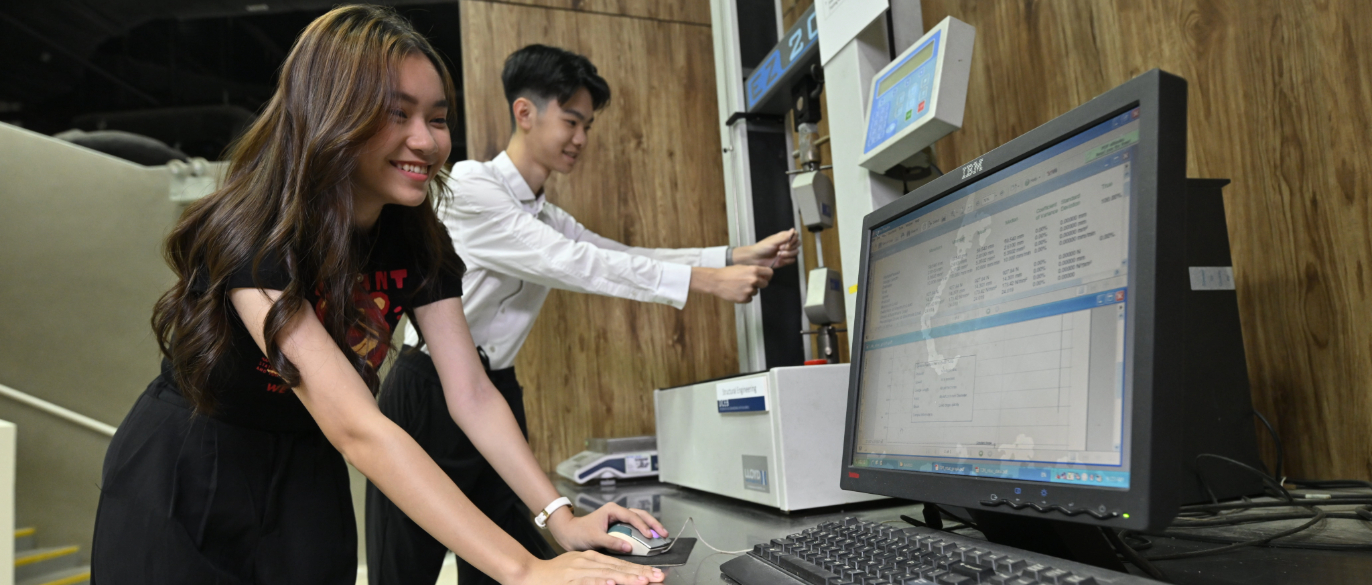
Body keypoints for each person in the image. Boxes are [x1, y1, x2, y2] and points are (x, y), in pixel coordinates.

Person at [91, 7, 667, 585]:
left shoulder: (416, 238)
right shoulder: (261, 232)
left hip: (306, 462)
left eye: (437, 118)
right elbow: (356, 426)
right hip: (193, 458)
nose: (426, 140)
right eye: (397, 114)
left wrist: (559, 520)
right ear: (333, 112)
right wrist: (522, 569)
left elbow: (470, 392)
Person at [365, 44, 799, 585]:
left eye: (587, 125)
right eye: (572, 121)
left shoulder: (544, 212)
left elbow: (616, 255)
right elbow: (573, 263)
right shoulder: (474, 187)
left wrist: (729, 257)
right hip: (427, 390)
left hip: (494, 391)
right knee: (403, 568)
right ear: (525, 112)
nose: (581, 139)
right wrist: (704, 281)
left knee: (511, 564)